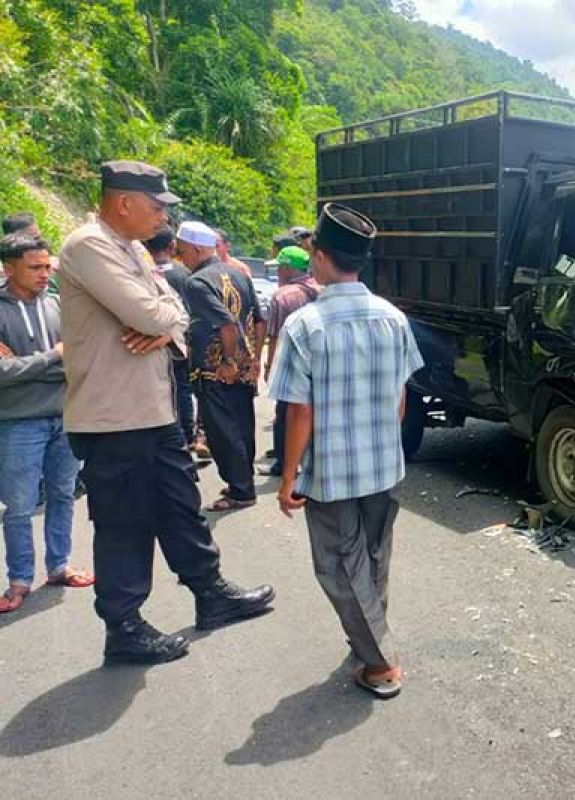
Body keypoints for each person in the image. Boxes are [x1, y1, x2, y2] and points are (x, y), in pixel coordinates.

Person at [57, 160, 274, 665]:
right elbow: (158, 312)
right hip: (113, 416)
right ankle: (124, 625)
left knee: (181, 505)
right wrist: (167, 321)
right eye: (156, 206)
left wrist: (167, 324)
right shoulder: (89, 246)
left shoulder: (131, 248)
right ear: (123, 202)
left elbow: (175, 310)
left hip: (152, 411)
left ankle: (210, 593)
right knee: (124, 522)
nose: (163, 218)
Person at [269, 204, 424, 699]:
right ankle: (369, 634)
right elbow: (401, 397)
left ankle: (379, 664)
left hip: (332, 471)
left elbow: (300, 413)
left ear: (319, 255)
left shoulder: (306, 325)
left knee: (339, 563)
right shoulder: (393, 318)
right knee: (374, 555)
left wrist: (288, 476)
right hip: (383, 464)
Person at [0, 232, 93, 613]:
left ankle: (59, 565)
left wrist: (31, 365)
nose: (44, 274)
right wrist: (55, 356)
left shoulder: (58, 305)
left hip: (65, 416)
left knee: (63, 495)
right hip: (18, 422)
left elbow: (82, 359)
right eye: (34, 267)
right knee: (19, 506)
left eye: (47, 266)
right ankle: (19, 579)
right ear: (9, 268)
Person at [176, 220, 265, 511]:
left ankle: (240, 491)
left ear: (197, 249)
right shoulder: (239, 274)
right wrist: (252, 360)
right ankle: (243, 483)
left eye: (183, 251)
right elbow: (259, 320)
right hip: (242, 369)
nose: (181, 258)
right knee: (242, 427)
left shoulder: (197, 282)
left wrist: (227, 361)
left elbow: (226, 324)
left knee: (221, 432)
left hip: (216, 369)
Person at [142, 225, 203, 457]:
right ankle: (188, 437)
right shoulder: (184, 274)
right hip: (180, 343)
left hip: (147, 344)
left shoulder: (142, 273)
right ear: (172, 247)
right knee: (183, 390)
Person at [260, 245, 319, 477]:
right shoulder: (322, 289)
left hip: (291, 363)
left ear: (286, 268)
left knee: (284, 414)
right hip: (319, 362)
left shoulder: (282, 296)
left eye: (279, 268)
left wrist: (270, 367)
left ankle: (284, 464)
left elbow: (275, 336)